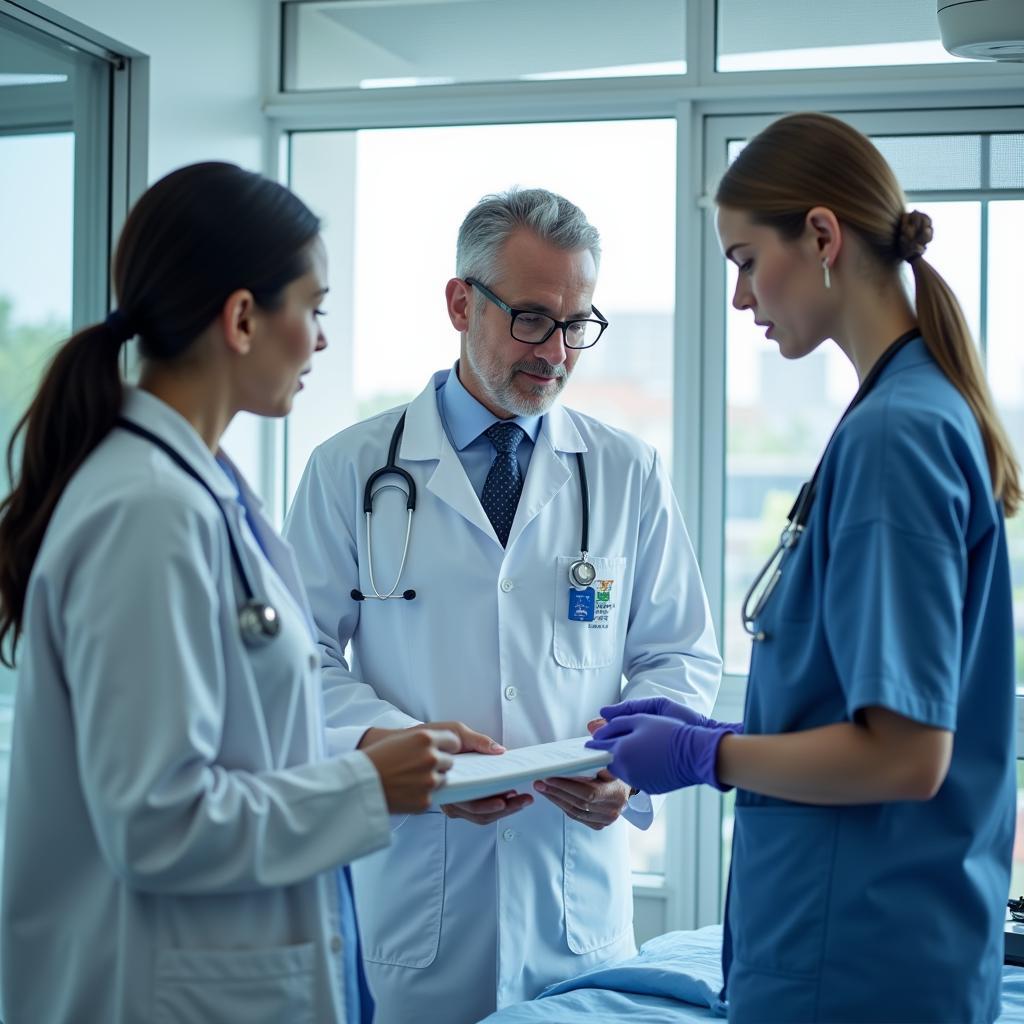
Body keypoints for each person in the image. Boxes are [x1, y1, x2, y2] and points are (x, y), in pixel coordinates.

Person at [0, 161, 470, 1024]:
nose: (323, 341)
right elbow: (155, 821)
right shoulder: (146, 510)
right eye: (315, 308)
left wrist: (389, 766)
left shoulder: (200, 491)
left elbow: (242, 753)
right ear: (245, 318)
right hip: (151, 990)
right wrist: (367, 785)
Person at [588, 112, 1020, 1023]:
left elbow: (907, 754)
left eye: (745, 260)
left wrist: (712, 755)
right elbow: (859, 704)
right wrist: (728, 726)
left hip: (860, 961)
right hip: (864, 945)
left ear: (822, 236)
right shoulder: (904, 415)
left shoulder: (898, 437)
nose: (740, 297)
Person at [283, 187, 722, 1023]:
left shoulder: (625, 470)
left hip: (576, 908)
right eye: (531, 317)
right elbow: (297, 660)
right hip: (413, 899)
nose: (556, 351)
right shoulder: (350, 468)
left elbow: (680, 653)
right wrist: (390, 743)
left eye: (577, 324)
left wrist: (629, 767)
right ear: (460, 302)